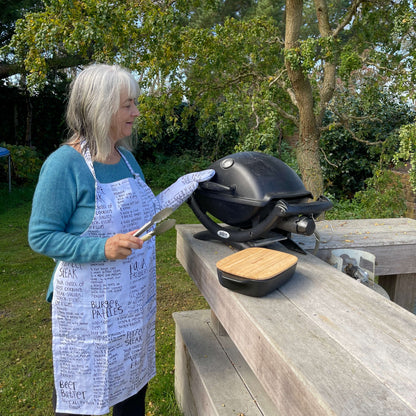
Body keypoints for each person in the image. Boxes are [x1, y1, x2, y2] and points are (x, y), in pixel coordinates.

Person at [28, 63, 214, 416]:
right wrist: (102, 248)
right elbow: (41, 236)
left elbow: (141, 216)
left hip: (130, 303)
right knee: (82, 397)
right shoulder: (64, 165)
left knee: (131, 392)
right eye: (127, 104)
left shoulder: (127, 160)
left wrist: (182, 188)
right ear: (100, 107)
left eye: (135, 103)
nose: (136, 112)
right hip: (85, 307)